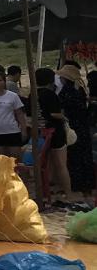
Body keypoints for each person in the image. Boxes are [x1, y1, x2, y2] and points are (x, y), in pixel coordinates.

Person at [32, 68, 71, 208]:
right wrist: (64, 116)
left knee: (47, 165)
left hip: (42, 132)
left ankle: (49, 191)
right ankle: (68, 194)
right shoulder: (50, 94)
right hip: (56, 131)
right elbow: (55, 114)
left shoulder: (33, 94)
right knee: (61, 164)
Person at [58, 64, 93, 200]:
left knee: (74, 157)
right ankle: (87, 186)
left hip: (72, 126)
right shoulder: (80, 89)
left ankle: (77, 185)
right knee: (85, 156)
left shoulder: (66, 91)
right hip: (83, 126)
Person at [0, 70, 27, 158]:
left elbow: (19, 114)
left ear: (4, 82)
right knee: (0, 160)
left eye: (0, 80)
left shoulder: (13, 96)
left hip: (12, 131)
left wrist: (23, 130)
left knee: (15, 159)